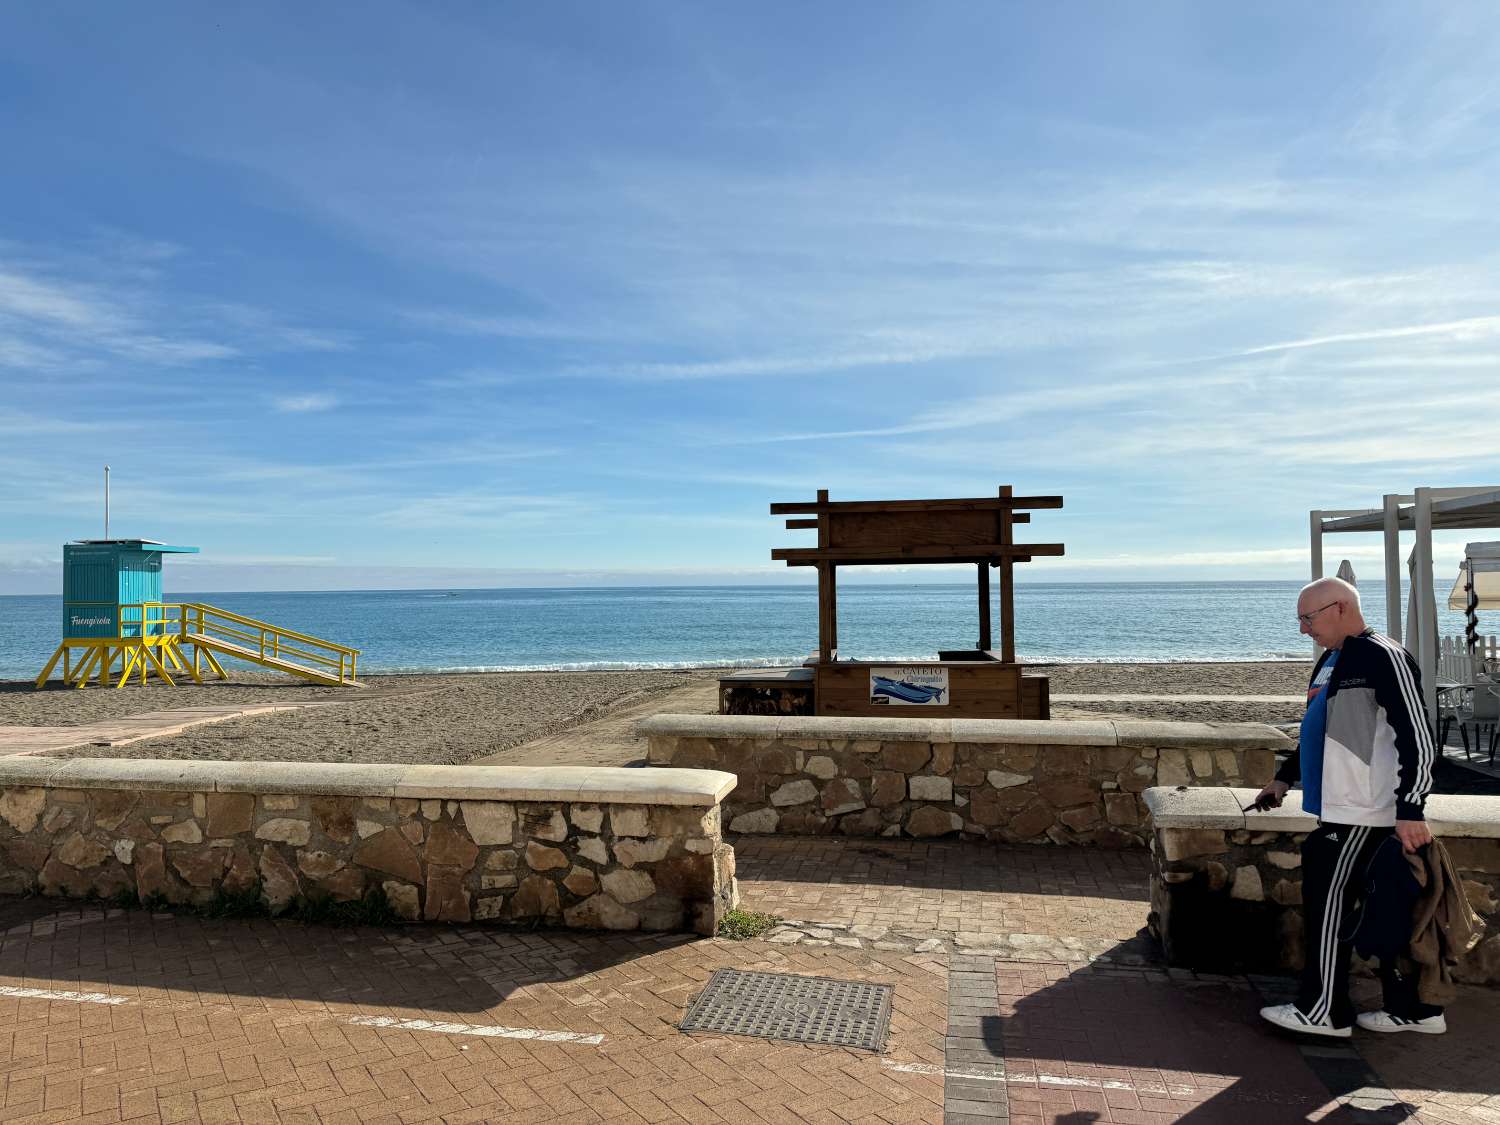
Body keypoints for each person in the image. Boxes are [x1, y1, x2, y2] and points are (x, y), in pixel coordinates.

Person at [1253, 576, 1442, 1038]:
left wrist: (1412, 808)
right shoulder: (1333, 661)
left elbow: (1418, 736)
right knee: (1385, 911)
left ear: (1339, 607)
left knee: (1329, 904)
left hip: (1363, 811)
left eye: (1307, 618)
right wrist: (1284, 777)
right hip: (1341, 808)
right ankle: (1413, 1010)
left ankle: (1323, 1011)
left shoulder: (1383, 656)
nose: (1303, 629)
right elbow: (1316, 727)